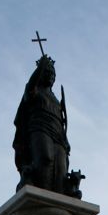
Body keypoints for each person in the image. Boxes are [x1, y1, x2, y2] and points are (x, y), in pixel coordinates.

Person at [13, 54, 72, 195]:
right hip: (39, 127)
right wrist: (40, 68)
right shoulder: (34, 90)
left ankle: (58, 194)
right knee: (45, 159)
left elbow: (62, 121)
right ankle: (36, 187)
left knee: (60, 168)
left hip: (58, 133)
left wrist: (66, 139)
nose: (51, 76)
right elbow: (29, 89)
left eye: (53, 74)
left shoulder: (55, 98)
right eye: (47, 73)